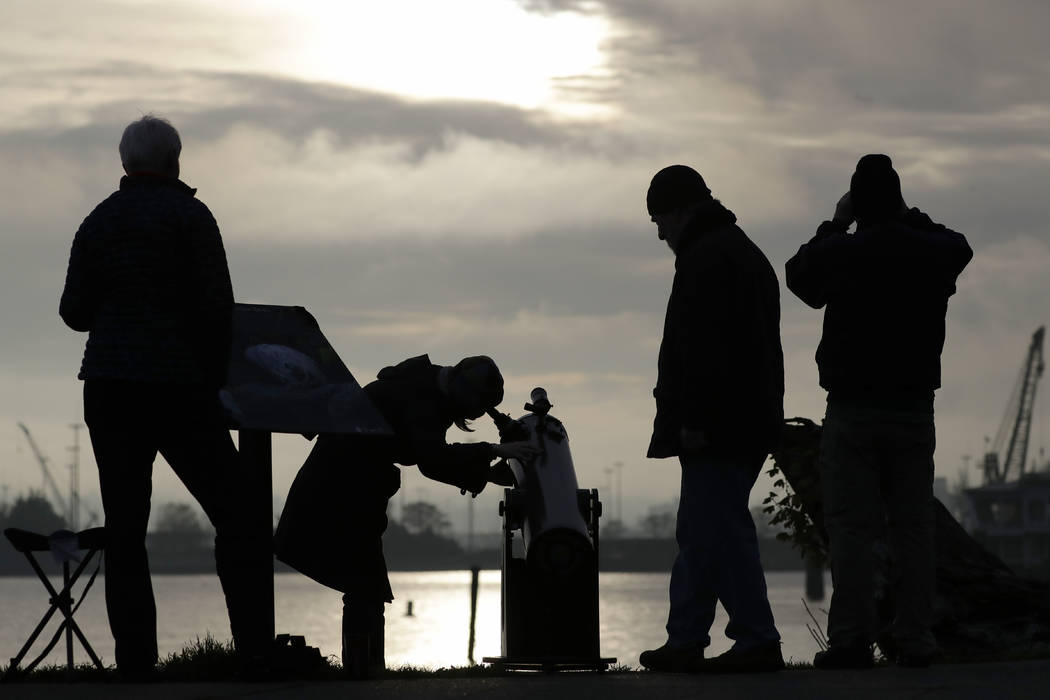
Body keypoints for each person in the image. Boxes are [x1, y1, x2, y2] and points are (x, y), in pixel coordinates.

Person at [59, 115, 271, 677]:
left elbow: (73, 313)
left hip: (109, 390)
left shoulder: (98, 220)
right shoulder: (190, 215)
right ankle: (251, 650)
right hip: (180, 391)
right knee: (238, 514)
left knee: (125, 529)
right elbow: (216, 307)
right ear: (176, 160)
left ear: (125, 163)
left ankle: (136, 664)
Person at [785, 154, 972, 669]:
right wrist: (910, 217)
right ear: (898, 197)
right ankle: (915, 637)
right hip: (913, 408)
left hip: (852, 409)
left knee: (852, 529)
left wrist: (837, 220)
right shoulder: (928, 251)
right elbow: (961, 246)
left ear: (856, 200)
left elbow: (799, 275)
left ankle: (850, 639)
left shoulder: (843, 252)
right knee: (913, 528)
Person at [274, 354, 536, 677]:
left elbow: (430, 455)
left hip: (347, 484)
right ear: (461, 392)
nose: (470, 416)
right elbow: (431, 458)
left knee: (365, 585)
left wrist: (486, 472)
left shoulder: (424, 387)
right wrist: (492, 452)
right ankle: (363, 674)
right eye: (473, 409)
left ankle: (364, 671)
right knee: (365, 584)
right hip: (341, 488)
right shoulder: (423, 399)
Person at [639, 165, 785, 673]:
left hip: (720, 423)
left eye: (660, 218)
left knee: (717, 529)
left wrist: (694, 419)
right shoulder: (738, 251)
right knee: (701, 529)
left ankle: (755, 638)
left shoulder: (706, 259)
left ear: (681, 211)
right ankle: (687, 637)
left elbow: (704, 351)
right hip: (745, 417)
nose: (659, 231)